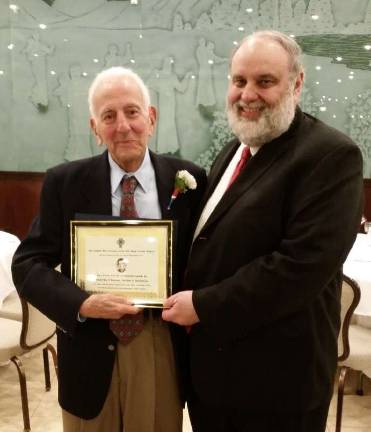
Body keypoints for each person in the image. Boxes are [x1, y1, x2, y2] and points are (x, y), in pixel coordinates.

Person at [162, 30, 364, 432]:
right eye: (239, 81)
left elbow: (300, 267)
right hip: (215, 379)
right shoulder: (237, 147)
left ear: (297, 83)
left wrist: (203, 305)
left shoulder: (331, 156)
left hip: (275, 389)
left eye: (264, 82)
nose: (247, 94)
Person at [12, 66, 206, 432]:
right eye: (109, 116)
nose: (123, 126)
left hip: (160, 343)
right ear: (95, 128)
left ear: (151, 118)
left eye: (132, 112)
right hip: (88, 347)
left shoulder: (189, 180)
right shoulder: (64, 182)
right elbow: (28, 264)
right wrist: (81, 303)